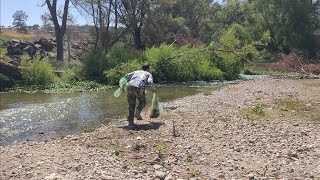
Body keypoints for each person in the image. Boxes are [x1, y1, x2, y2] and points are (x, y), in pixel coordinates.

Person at [124, 63, 158, 129]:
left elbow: (126, 76)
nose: (150, 70)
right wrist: (154, 89)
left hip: (129, 86)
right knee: (143, 101)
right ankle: (137, 113)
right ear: (148, 69)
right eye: (150, 68)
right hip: (138, 87)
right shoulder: (148, 74)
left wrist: (124, 85)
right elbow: (150, 82)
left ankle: (130, 123)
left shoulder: (136, 71)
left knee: (131, 105)